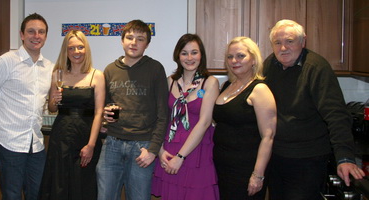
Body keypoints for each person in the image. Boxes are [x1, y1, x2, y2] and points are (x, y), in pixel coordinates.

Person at [263, 19, 365, 200]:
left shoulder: (316, 68)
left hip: (307, 159)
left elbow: (336, 115)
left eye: (290, 41)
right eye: (277, 43)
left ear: (303, 42)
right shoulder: (270, 65)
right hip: (276, 157)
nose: (283, 48)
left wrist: (345, 157)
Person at [0, 13, 53, 200]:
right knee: (12, 195)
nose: (36, 36)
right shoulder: (6, 61)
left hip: (35, 142)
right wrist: (4, 114)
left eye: (41, 32)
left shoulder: (48, 67)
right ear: (22, 35)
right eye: (31, 31)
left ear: (45, 36)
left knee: (36, 193)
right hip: (8, 140)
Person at [96, 19, 169, 200]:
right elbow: (103, 108)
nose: (134, 43)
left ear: (147, 44)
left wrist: (153, 150)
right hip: (112, 143)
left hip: (142, 146)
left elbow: (163, 114)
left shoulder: (155, 69)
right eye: (129, 37)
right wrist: (105, 118)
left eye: (140, 39)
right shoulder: (110, 70)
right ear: (122, 41)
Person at [151, 34, 220, 200]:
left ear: (201, 55)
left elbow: (204, 123)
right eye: (184, 53)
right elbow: (159, 118)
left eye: (194, 52)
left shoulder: (209, 83)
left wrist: (181, 157)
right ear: (177, 56)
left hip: (196, 152)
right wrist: (160, 151)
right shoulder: (170, 82)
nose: (189, 58)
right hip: (169, 149)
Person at [38, 30, 105, 200]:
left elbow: (99, 113)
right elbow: (53, 108)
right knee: (59, 183)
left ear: (86, 49)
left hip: (86, 135)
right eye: (72, 48)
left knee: (83, 184)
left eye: (80, 47)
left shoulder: (96, 76)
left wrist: (90, 145)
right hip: (61, 136)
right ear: (66, 51)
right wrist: (53, 99)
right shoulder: (57, 74)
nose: (76, 52)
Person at [213, 36, 276, 199]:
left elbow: (268, 136)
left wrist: (258, 175)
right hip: (223, 166)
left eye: (241, 55)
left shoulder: (259, 89)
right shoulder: (227, 86)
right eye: (230, 57)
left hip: (246, 169)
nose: (234, 60)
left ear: (254, 59)